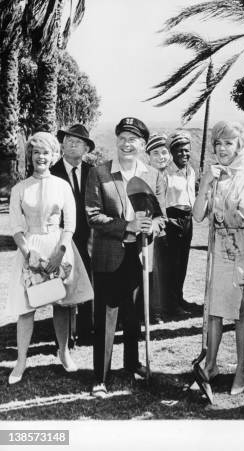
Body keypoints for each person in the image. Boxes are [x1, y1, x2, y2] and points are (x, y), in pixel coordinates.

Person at [85, 117, 166, 398]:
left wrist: (151, 227)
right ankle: (100, 377)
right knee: (106, 318)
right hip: (109, 255)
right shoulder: (100, 173)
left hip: (140, 255)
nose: (127, 144)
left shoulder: (153, 175)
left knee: (133, 316)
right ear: (116, 141)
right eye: (122, 138)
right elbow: (93, 216)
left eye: (133, 139)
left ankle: (132, 364)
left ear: (143, 145)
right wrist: (127, 226)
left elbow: (161, 217)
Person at [4, 132, 93, 384]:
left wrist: (60, 252)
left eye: (46, 152)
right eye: (35, 152)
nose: (41, 157)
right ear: (30, 156)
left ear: (54, 155)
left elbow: (70, 224)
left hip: (58, 248)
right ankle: (20, 362)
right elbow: (16, 227)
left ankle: (63, 353)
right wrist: (28, 253)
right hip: (30, 249)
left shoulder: (62, 186)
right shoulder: (19, 189)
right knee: (26, 307)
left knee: (62, 305)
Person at [192, 121, 244, 395]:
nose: (222, 149)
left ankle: (241, 369)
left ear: (239, 147)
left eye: (228, 143)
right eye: (218, 143)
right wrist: (205, 184)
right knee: (214, 311)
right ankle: (210, 365)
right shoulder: (214, 178)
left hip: (243, 251)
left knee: (241, 314)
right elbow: (198, 216)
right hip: (219, 251)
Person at [53, 124, 95, 345]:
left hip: (88, 238)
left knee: (86, 283)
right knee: (63, 285)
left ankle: (86, 331)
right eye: (68, 139)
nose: (71, 143)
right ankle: (65, 336)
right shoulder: (52, 172)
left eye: (77, 141)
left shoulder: (93, 172)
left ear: (86, 148)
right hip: (61, 239)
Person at [165, 131, 197, 316]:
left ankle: (179, 298)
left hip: (187, 219)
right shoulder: (167, 172)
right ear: (172, 152)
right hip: (172, 219)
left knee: (183, 261)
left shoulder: (191, 171)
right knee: (172, 263)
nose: (184, 154)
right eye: (180, 151)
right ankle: (170, 304)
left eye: (187, 151)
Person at [145, 133, 171, 323]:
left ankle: (161, 308)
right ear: (148, 156)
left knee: (162, 272)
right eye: (156, 153)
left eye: (164, 152)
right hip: (150, 228)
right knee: (150, 272)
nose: (161, 157)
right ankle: (153, 312)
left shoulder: (167, 175)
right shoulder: (145, 176)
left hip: (165, 228)